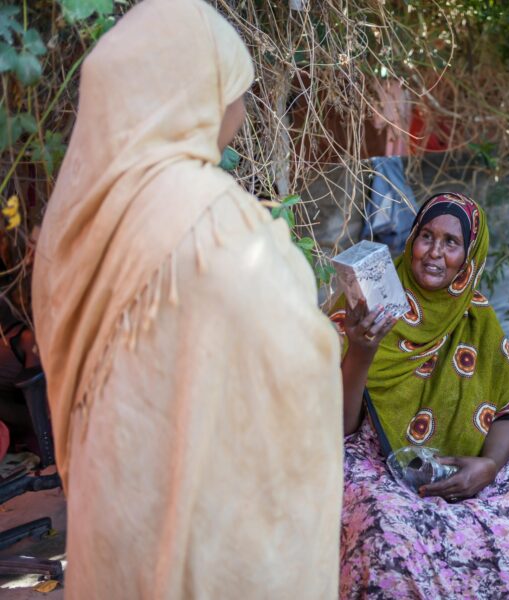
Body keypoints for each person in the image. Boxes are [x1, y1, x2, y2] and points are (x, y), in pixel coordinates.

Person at [31, 1, 343, 598]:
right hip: (198, 532)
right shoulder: (211, 220)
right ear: (191, 90)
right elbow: (292, 353)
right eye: (235, 91)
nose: (243, 109)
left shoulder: (73, 217)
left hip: (114, 516)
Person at [333, 192, 509, 598]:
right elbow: (337, 427)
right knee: (388, 533)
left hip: (462, 464)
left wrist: (489, 465)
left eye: (451, 242)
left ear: (468, 256)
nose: (434, 253)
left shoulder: (477, 314)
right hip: (376, 460)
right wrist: (361, 351)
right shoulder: (365, 305)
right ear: (410, 240)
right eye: (426, 236)